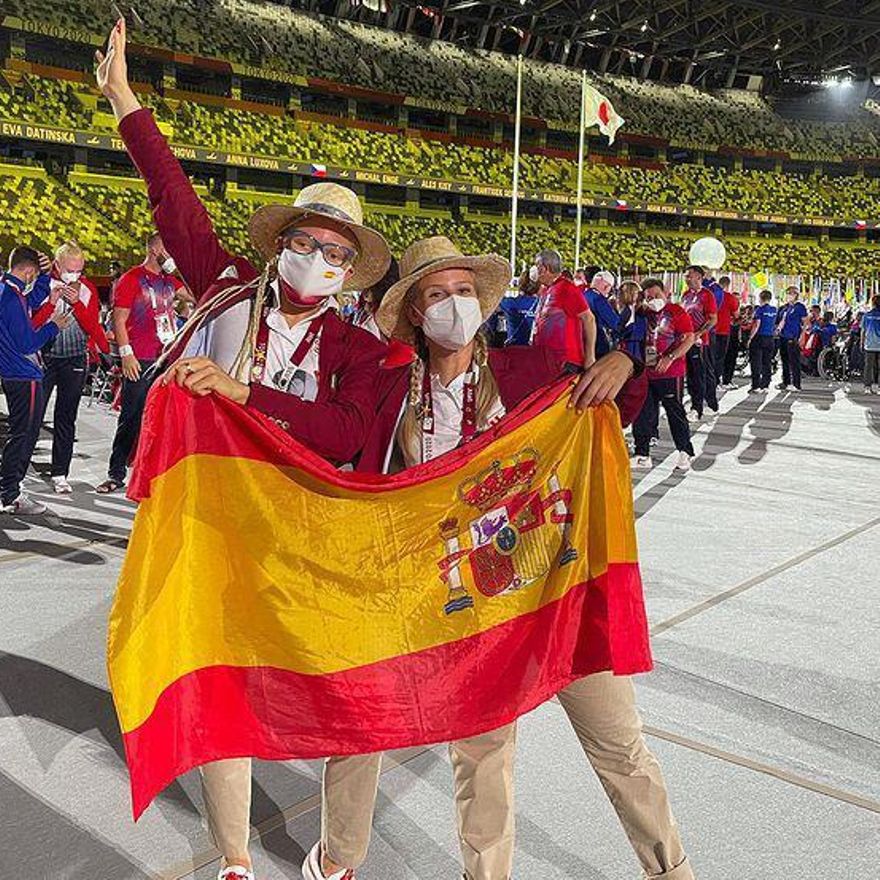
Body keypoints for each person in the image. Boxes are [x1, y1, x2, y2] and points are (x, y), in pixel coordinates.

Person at [96, 18, 393, 879]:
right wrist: (124, 102)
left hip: (315, 542)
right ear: (282, 244)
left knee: (354, 698)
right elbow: (170, 195)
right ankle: (234, 859)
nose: (317, 258)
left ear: (350, 271)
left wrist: (246, 393)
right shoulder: (225, 289)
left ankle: (338, 858)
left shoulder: (363, 352)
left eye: (335, 253)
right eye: (306, 242)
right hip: (220, 535)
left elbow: (347, 434)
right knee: (227, 694)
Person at [304, 237, 696, 880]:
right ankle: (364, 864)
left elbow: (617, 404)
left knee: (620, 744)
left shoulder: (529, 369)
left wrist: (626, 361)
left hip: (551, 587)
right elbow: (331, 438)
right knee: (471, 752)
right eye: (436, 294)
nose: (452, 304)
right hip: (451, 601)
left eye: (462, 291)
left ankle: (672, 870)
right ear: (414, 314)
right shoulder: (389, 391)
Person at [94, 233, 190, 494]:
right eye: (168, 249)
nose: (172, 253)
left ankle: (150, 470)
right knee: (131, 416)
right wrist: (126, 354)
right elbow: (119, 318)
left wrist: (178, 269)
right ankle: (115, 473)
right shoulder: (131, 278)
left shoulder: (170, 281)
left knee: (161, 417)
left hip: (166, 356)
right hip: (141, 356)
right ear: (155, 248)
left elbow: (197, 294)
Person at [30, 241, 109, 493]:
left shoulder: (86, 289)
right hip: (45, 358)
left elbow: (92, 327)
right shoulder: (44, 287)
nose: (74, 275)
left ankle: (60, 473)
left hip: (74, 359)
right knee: (32, 418)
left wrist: (77, 304)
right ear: (57, 265)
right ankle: (17, 473)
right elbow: (32, 324)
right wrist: (52, 305)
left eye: (79, 270)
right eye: (69, 269)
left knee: (66, 418)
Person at [0, 247, 72, 514]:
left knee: (19, 434)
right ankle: (11, 494)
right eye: (35, 275)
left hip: (13, 374)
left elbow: (28, 306)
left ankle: (9, 489)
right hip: (23, 374)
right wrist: (55, 325)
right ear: (27, 271)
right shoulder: (10, 297)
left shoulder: (9, 290)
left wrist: (46, 288)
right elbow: (27, 342)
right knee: (23, 436)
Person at [632, 278, 697, 472]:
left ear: (665, 292)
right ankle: (642, 454)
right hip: (646, 371)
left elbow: (689, 338)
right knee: (642, 413)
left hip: (670, 372)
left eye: (656, 295)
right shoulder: (643, 314)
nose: (653, 300)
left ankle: (685, 451)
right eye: (649, 297)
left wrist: (670, 357)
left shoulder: (676, 312)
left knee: (674, 412)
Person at [530, 249, 596, 369]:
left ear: (543, 268)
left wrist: (590, 356)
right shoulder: (547, 290)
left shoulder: (567, 289)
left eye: (536, 265)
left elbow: (589, 319)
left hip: (565, 363)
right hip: (547, 360)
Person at [680, 265, 718, 422]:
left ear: (699, 277)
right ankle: (703, 403)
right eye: (686, 276)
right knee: (691, 374)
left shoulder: (707, 295)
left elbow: (713, 319)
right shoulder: (686, 295)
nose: (687, 278)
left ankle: (699, 408)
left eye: (690, 276)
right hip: (685, 340)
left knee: (700, 374)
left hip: (700, 342)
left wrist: (698, 334)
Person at [775, 286, 808, 391]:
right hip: (783, 336)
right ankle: (786, 382)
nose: (790, 295)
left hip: (793, 337)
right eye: (788, 293)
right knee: (784, 360)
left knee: (794, 361)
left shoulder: (800, 307)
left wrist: (802, 336)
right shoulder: (786, 307)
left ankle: (796, 384)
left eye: (792, 293)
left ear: (796, 295)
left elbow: (806, 323)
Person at [583, 269, 621, 358]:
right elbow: (614, 323)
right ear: (606, 286)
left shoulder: (583, 294)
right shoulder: (599, 299)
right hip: (597, 346)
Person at [748, 290, 777, 394]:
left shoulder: (759, 310)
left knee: (756, 362)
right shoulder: (774, 310)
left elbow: (756, 325)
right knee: (767, 362)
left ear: (760, 298)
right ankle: (765, 385)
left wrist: (750, 338)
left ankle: (756, 386)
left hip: (759, 337)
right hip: (770, 338)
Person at [713, 277, 739, 389]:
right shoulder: (729, 297)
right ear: (728, 285)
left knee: (710, 357)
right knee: (720, 357)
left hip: (710, 330)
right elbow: (736, 315)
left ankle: (710, 381)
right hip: (723, 331)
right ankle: (716, 382)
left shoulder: (711, 295)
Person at [862, 294, 880, 393]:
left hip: (869, 344)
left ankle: (867, 387)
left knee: (868, 366)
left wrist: (861, 342)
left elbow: (863, 331)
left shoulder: (866, 315)